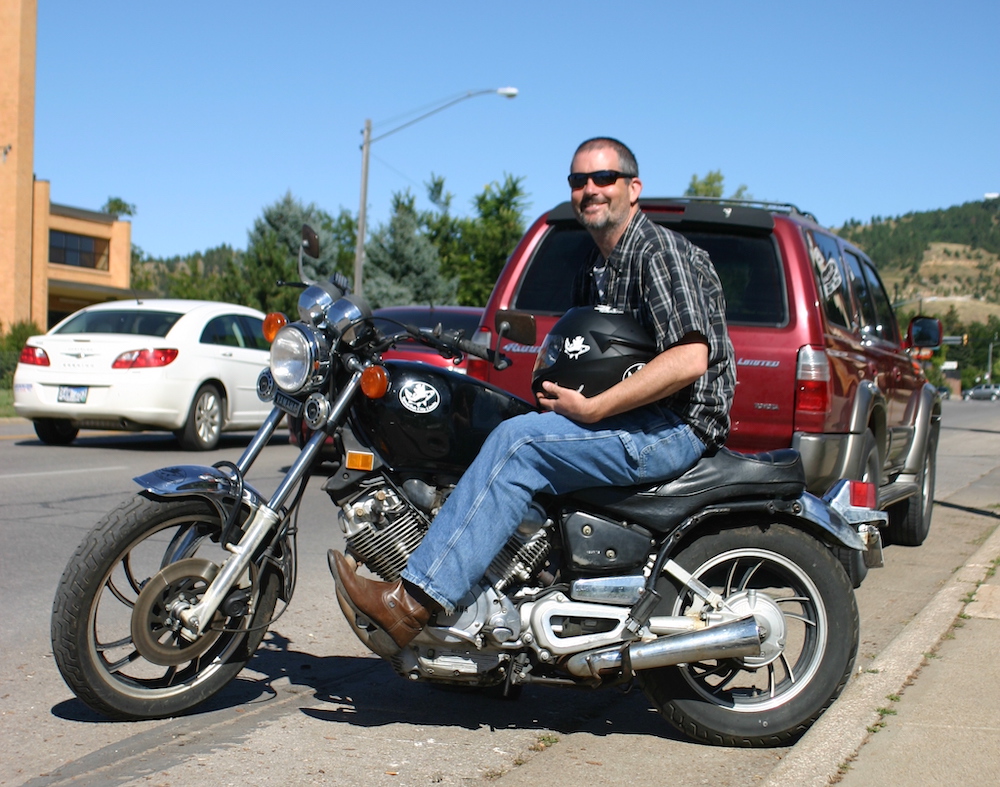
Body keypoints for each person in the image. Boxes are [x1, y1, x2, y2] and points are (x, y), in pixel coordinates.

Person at [330, 137, 736, 649]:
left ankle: (414, 602)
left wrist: (592, 408)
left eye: (603, 178)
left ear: (633, 189)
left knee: (519, 445)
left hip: (673, 426)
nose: (590, 190)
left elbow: (690, 359)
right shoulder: (596, 269)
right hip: (633, 421)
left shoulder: (658, 253)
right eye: (578, 181)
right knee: (504, 429)